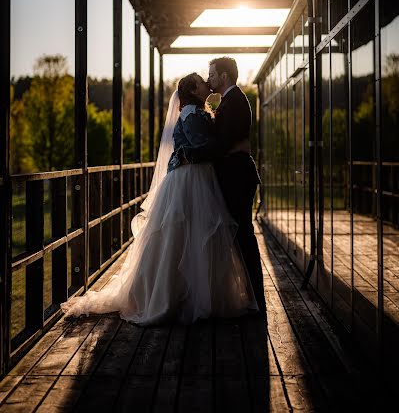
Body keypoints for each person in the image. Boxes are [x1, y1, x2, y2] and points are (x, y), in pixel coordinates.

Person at [60, 72, 258, 325]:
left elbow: (199, 145)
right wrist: (231, 148)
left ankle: (192, 293)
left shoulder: (195, 112)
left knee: (193, 236)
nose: (206, 83)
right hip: (190, 181)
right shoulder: (191, 114)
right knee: (184, 237)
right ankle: (174, 295)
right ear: (193, 91)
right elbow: (201, 146)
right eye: (201, 81)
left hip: (196, 178)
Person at [179, 58, 266, 315]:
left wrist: (190, 156)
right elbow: (225, 142)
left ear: (225, 77)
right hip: (233, 176)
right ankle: (247, 295)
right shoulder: (229, 101)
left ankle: (256, 298)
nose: (210, 79)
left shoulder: (235, 102)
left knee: (243, 236)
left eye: (213, 74)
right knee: (237, 235)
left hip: (238, 177)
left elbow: (222, 144)